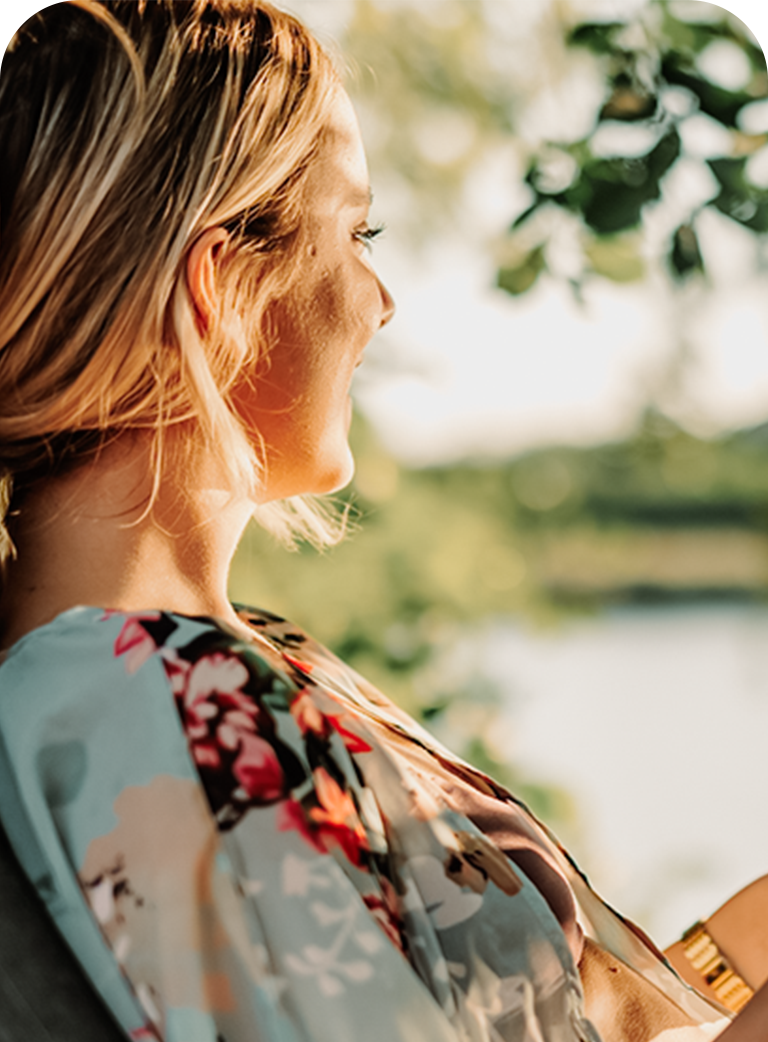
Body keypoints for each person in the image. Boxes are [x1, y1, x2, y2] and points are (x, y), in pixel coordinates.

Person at [0, 2, 765, 1040]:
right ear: (220, 283)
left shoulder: (212, 671)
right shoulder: (143, 699)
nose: (382, 298)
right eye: (355, 232)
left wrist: (726, 966)